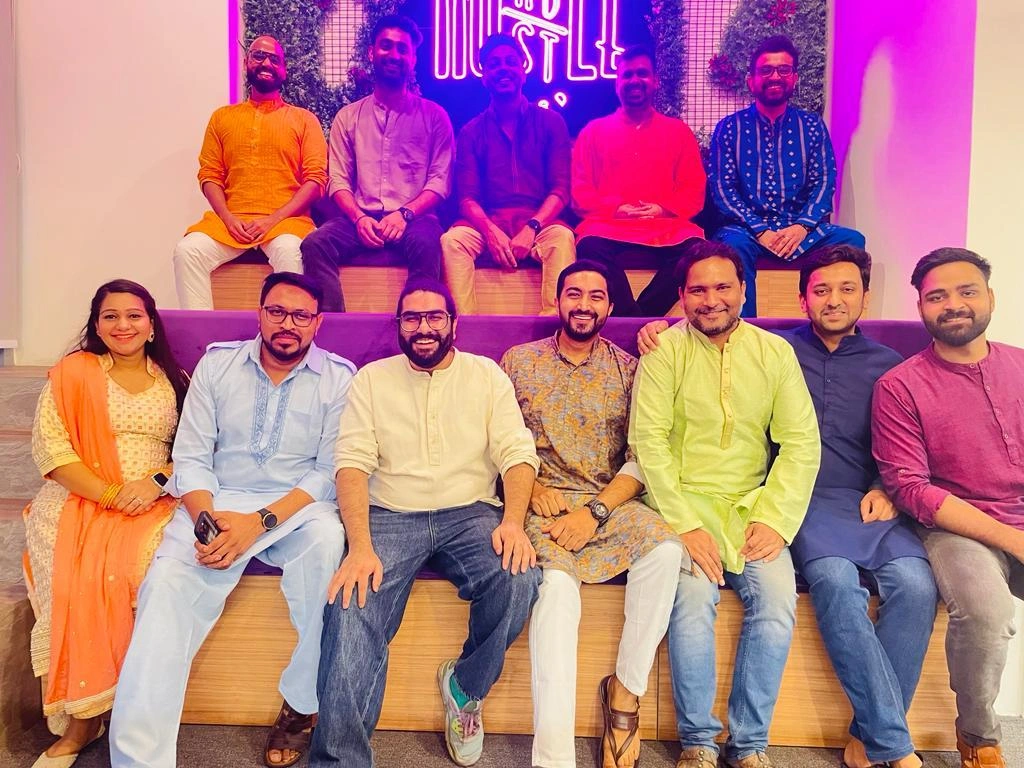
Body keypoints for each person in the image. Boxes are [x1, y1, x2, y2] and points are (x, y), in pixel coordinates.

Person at [109, 272, 356, 768]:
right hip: (216, 502)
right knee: (165, 589)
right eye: (277, 312)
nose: (288, 324)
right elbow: (193, 456)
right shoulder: (218, 365)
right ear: (260, 313)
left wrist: (256, 524)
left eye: (301, 316)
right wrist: (207, 521)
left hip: (296, 509)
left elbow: (326, 473)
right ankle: (139, 758)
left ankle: (301, 702)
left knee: (329, 544)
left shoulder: (339, 378)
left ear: (318, 323)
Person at [310, 277, 540, 768]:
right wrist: (359, 546)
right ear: (399, 325)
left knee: (518, 576)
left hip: (471, 512)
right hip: (390, 515)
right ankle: (339, 761)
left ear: (454, 323)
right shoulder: (372, 379)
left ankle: (466, 687)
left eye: (434, 317)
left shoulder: (486, 375)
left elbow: (517, 453)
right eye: (412, 318)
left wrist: (513, 523)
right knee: (351, 607)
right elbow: (351, 463)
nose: (423, 328)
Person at [629, 241, 820, 768]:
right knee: (692, 603)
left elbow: (801, 443)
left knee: (777, 601)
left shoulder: (774, 352)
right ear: (682, 295)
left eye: (722, 287)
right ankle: (697, 742)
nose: (710, 299)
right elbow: (649, 444)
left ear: (742, 289)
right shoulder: (664, 351)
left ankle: (750, 743)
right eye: (697, 289)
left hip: (752, 508)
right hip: (682, 505)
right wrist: (684, 525)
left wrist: (775, 519)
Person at [499, 260, 682, 768]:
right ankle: (553, 757)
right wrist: (532, 488)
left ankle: (624, 693)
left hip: (609, 502)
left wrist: (596, 511)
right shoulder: (518, 362)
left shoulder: (630, 369)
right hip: (544, 505)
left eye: (596, 296)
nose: (584, 305)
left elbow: (643, 457)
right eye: (574, 294)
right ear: (557, 301)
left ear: (610, 306)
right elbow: (496, 440)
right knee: (557, 593)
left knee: (667, 550)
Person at [23, 280, 189, 768]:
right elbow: (52, 450)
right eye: (110, 316)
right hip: (78, 497)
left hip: (154, 500)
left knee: (135, 573)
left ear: (151, 324)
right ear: (96, 325)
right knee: (76, 580)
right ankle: (82, 720)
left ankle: (127, 708)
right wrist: (110, 494)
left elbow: (198, 448)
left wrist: (155, 482)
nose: (122, 325)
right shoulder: (73, 373)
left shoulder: (176, 378)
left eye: (133, 315)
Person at [872, 248, 1022, 768]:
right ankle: (979, 737)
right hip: (954, 525)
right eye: (937, 296)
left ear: (990, 298)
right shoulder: (900, 386)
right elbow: (910, 488)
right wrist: (1011, 539)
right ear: (921, 308)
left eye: (967, 291)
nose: (953, 304)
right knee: (986, 612)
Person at [301, 15, 454, 312]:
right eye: (386, 46)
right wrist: (359, 218)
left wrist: (404, 215)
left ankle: (417, 326)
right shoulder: (348, 116)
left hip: (415, 218)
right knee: (315, 244)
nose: (394, 54)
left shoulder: (435, 117)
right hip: (360, 216)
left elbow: (440, 181)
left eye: (402, 49)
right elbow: (337, 180)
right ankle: (334, 329)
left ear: (413, 59)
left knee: (427, 244)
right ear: (371, 52)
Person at [707, 35, 864, 317]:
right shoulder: (729, 128)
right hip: (747, 232)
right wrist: (760, 230)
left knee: (852, 240)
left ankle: (834, 322)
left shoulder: (812, 126)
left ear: (794, 78)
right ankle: (746, 332)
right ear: (751, 80)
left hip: (801, 230)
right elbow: (723, 190)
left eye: (783, 70)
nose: (775, 77)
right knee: (731, 246)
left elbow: (824, 181)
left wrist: (802, 226)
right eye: (766, 70)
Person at [173, 35, 328, 310]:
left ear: (284, 70)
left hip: (286, 223)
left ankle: (285, 332)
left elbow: (316, 180)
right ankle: (203, 334)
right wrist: (228, 218)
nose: (266, 63)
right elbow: (209, 174)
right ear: (246, 62)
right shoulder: (222, 118)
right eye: (259, 56)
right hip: (230, 221)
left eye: (274, 59)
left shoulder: (304, 120)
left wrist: (272, 219)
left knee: (290, 252)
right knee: (188, 252)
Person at [441, 34, 575, 316]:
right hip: (488, 221)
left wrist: (532, 227)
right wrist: (491, 232)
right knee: (452, 242)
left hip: (541, 222)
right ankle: (464, 328)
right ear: (484, 77)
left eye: (511, 62)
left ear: (523, 70)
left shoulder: (551, 122)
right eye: (494, 64)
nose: (503, 69)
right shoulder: (471, 132)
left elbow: (561, 189)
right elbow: (466, 198)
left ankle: (554, 325)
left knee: (562, 239)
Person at [572, 44, 705, 317]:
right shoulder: (593, 132)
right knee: (588, 245)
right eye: (627, 75)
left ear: (655, 81)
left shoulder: (678, 131)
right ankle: (638, 321)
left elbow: (693, 189)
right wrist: (616, 209)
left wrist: (662, 208)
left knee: (695, 249)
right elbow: (580, 191)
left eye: (642, 74)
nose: (634, 80)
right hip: (609, 224)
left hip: (665, 224)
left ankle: (634, 319)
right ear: (617, 84)